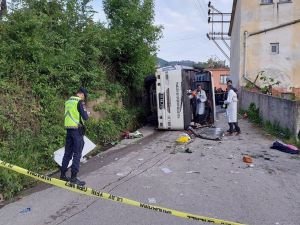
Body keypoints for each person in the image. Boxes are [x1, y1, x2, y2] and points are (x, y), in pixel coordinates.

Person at [60, 87, 89, 186]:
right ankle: (73, 178)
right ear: (82, 94)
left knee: (67, 153)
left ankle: (63, 175)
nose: (84, 98)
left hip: (68, 130)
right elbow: (85, 117)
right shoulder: (79, 102)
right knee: (77, 154)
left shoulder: (68, 101)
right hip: (77, 131)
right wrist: (87, 113)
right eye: (84, 96)